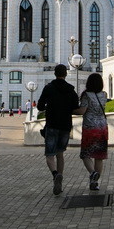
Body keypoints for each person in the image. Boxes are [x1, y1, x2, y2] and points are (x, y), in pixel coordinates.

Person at [36, 64, 80, 195]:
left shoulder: (49, 88)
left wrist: (50, 106)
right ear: (65, 74)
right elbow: (75, 107)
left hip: (52, 125)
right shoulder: (71, 90)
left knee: (50, 155)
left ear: (54, 74)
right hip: (65, 126)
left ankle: (55, 175)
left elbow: (39, 106)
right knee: (60, 153)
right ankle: (59, 179)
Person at [74, 72, 108, 191]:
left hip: (90, 128)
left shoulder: (86, 95)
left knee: (86, 154)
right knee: (99, 156)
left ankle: (92, 173)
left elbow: (82, 111)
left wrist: (71, 110)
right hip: (102, 127)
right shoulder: (104, 94)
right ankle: (95, 183)